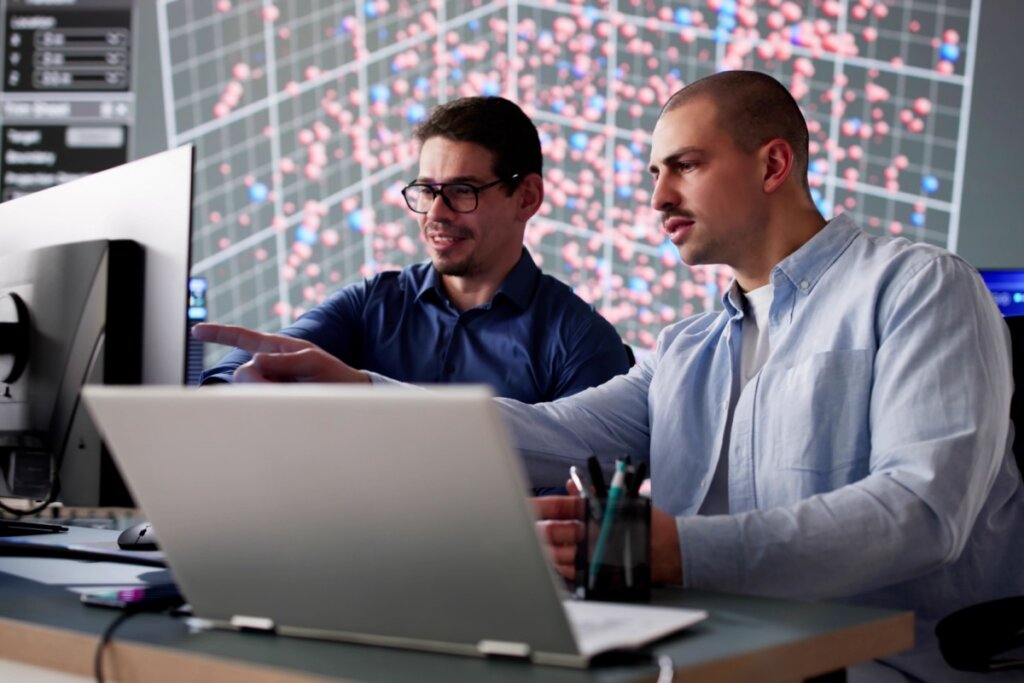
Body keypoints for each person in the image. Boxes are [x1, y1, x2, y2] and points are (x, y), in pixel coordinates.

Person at [197, 72, 1023, 680]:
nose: (658, 197)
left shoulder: (919, 288)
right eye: (654, 172)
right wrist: (359, 392)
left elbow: (921, 513)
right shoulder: (688, 346)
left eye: (684, 166)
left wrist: (676, 550)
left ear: (774, 164)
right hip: (729, 661)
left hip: (894, 669)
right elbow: (550, 433)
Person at [196, 96, 629, 401]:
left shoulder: (581, 343)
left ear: (527, 198)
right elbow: (263, 358)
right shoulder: (372, 305)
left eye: (462, 191)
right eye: (426, 190)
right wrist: (236, 389)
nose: (435, 213)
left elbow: (585, 488)